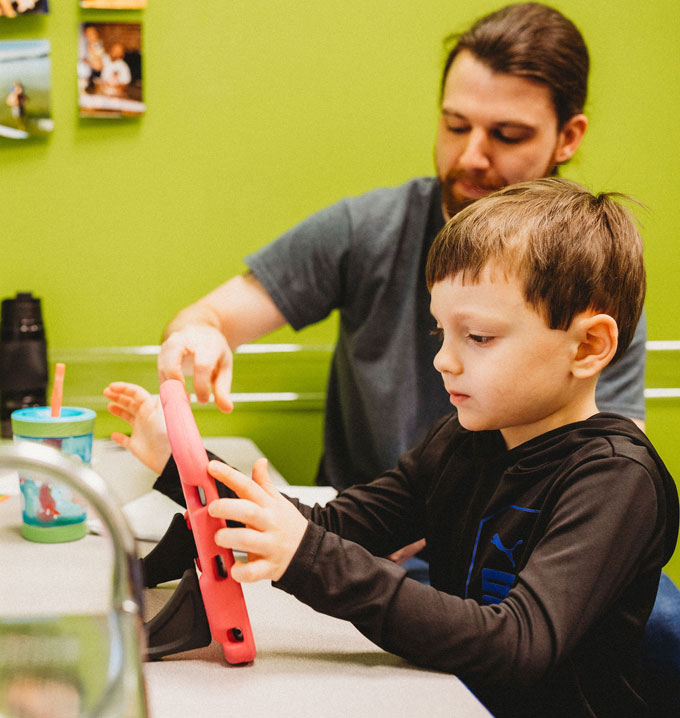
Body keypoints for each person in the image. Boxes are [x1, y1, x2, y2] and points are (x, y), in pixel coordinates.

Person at [106, 178, 679, 717]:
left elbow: (516, 645)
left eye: (477, 337)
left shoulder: (615, 482)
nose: (444, 360)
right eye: (441, 332)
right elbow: (336, 526)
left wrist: (306, 555)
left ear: (589, 346)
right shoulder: (462, 441)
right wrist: (183, 464)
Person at [155, 2, 646, 495]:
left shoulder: (593, 270)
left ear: (568, 136)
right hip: (366, 533)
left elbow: (610, 479)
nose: (471, 156)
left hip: (509, 547)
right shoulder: (369, 228)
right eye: (455, 126)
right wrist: (199, 335)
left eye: (507, 135)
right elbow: (207, 318)